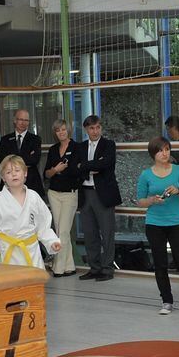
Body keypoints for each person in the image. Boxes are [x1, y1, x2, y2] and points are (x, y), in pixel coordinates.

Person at [137, 138, 179, 316]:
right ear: (153, 154)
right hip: (154, 223)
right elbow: (140, 201)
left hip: (176, 222)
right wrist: (152, 200)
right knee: (160, 264)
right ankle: (166, 301)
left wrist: (178, 191)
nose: (165, 153)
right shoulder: (146, 175)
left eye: (167, 149)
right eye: (161, 150)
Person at [0, 155, 60, 268]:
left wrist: (52, 241)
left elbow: (43, 225)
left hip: (31, 251)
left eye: (17, 170)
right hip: (7, 251)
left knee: (33, 284)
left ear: (25, 173)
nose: (14, 174)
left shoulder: (34, 197)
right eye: (8, 172)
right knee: (10, 284)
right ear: (3, 177)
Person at [77, 115, 122, 281]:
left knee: (107, 233)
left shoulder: (108, 145)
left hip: (103, 194)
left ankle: (107, 269)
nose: (95, 131)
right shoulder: (80, 147)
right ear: (86, 129)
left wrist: (85, 165)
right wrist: (91, 166)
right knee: (90, 234)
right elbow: (76, 168)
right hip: (85, 193)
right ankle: (94, 268)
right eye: (91, 128)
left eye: (97, 128)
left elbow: (106, 164)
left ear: (101, 128)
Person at [44, 118, 80, 277]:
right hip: (54, 193)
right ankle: (69, 266)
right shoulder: (53, 150)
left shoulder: (77, 148)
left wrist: (59, 170)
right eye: (58, 130)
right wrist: (56, 169)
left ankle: (58, 267)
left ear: (69, 130)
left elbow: (77, 171)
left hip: (70, 194)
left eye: (63, 129)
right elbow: (46, 173)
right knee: (60, 230)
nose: (61, 132)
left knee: (63, 231)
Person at [0, 108, 44, 198]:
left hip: (31, 182)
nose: (23, 123)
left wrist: (11, 158)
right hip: (9, 184)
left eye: (26, 120)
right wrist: (26, 157)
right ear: (15, 120)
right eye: (21, 119)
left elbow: (34, 160)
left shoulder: (35, 139)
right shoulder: (5, 140)